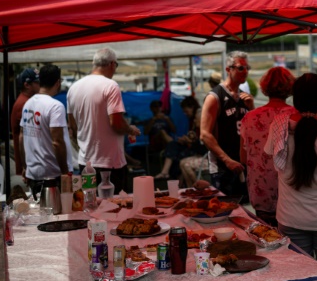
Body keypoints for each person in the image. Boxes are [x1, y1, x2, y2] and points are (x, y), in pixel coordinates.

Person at [265, 73, 317, 278]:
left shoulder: (279, 126)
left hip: (290, 219)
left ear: (294, 98)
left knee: (296, 280)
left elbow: (269, 159)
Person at [67, 48, 140, 193]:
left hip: (85, 163)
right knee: (115, 209)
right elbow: (117, 123)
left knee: (91, 205)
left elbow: (72, 126)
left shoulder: (73, 88)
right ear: (112, 64)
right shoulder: (110, 86)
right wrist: (131, 129)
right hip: (110, 164)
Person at [240, 66, 296, 225]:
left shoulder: (250, 117)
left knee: (266, 238)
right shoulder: (296, 116)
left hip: (261, 191)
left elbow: (243, 157)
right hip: (290, 192)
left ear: (265, 87)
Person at [200, 51, 254, 198]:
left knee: (243, 213)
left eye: (247, 67)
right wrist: (227, 160)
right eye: (240, 68)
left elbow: (253, 130)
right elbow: (205, 134)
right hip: (223, 167)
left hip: (243, 165)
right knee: (224, 213)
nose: (245, 71)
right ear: (228, 69)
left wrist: (252, 108)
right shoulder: (215, 97)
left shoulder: (245, 98)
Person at [19, 65, 69, 199]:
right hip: (52, 177)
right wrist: (65, 173)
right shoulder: (55, 106)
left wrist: (25, 167)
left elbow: (21, 137)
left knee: (39, 216)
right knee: (58, 216)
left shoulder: (28, 104)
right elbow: (57, 142)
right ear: (58, 82)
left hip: (34, 174)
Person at [155, 96, 206, 179]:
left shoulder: (199, 118)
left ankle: (176, 179)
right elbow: (193, 136)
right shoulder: (192, 120)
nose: (185, 114)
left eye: (186, 111)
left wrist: (189, 141)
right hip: (193, 145)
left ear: (192, 107)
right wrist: (188, 139)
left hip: (198, 149)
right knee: (172, 145)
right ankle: (165, 172)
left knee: (179, 160)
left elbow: (201, 143)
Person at [11, 68, 40, 180]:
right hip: (29, 162)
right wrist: (25, 166)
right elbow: (22, 137)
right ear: (27, 85)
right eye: (37, 83)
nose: (40, 86)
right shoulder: (25, 104)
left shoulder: (27, 101)